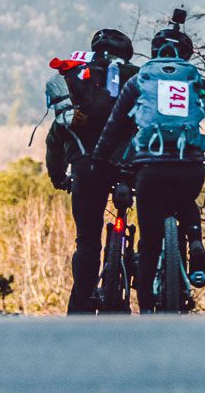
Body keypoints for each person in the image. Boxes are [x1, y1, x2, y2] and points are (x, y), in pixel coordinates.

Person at [90, 15, 205, 312]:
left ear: (155, 51)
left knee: (149, 243)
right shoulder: (199, 82)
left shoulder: (140, 81)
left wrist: (99, 159)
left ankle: (147, 307)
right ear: (185, 55)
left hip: (150, 168)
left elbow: (114, 125)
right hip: (190, 166)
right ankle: (195, 239)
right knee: (186, 201)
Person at [45, 28, 139, 314]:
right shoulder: (137, 77)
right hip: (128, 166)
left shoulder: (76, 79)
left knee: (87, 241)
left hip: (86, 168)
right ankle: (146, 286)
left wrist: (58, 176)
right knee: (152, 226)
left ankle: (80, 310)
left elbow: (56, 137)